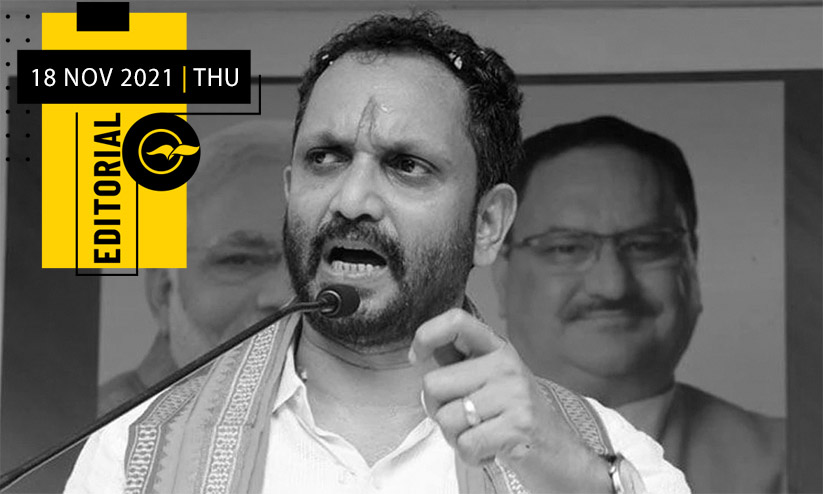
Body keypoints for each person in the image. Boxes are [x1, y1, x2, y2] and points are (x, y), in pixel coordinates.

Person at [66, 15, 689, 494]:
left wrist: (580, 481)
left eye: (406, 165)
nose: (352, 200)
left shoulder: (605, 455)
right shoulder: (134, 456)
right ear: (290, 192)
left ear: (488, 224)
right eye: (326, 158)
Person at [494, 115, 785, 493]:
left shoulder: (791, 462)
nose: (612, 286)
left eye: (646, 245)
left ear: (692, 260)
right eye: (566, 248)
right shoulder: (432, 457)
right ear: (502, 274)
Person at [97, 120, 294, 414]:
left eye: (312, 264)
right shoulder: (83, 435)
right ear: (163, 290)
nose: (284, 295)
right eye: (241, 260)